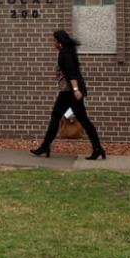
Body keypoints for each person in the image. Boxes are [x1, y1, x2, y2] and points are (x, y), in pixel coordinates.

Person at [30, 29, 106, 160]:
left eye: (54, 40)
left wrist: (76, 89)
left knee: (56, 117)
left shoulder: (65, 54)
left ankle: (45, 147)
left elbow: (72, 73)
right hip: (70, 92)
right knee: (83, 120)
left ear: (59, 42)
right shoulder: (66, 52)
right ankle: (98, 149)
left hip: (69, 92)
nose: (53, 42)